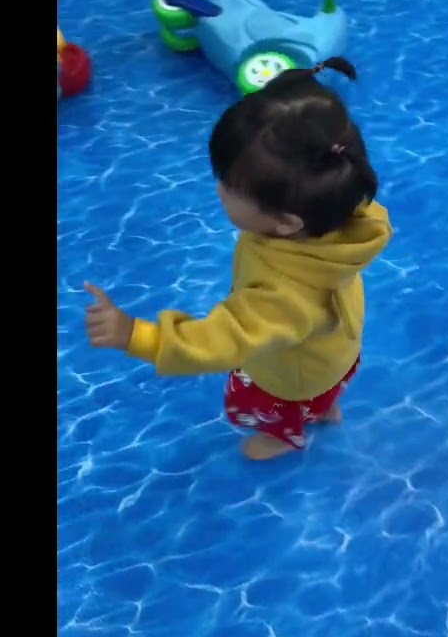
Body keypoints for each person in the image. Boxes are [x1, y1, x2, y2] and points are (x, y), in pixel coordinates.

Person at [83, 57, 392, 460]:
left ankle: (285, 437)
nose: (219, 191)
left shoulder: (282, 297)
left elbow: (220, 342)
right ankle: (323, 407)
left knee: (265, 406)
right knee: (321, 388)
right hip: (335, 350)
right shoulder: (340, 203)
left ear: (285, 223)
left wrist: (134, 335)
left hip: (290, 380)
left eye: (229, 188)